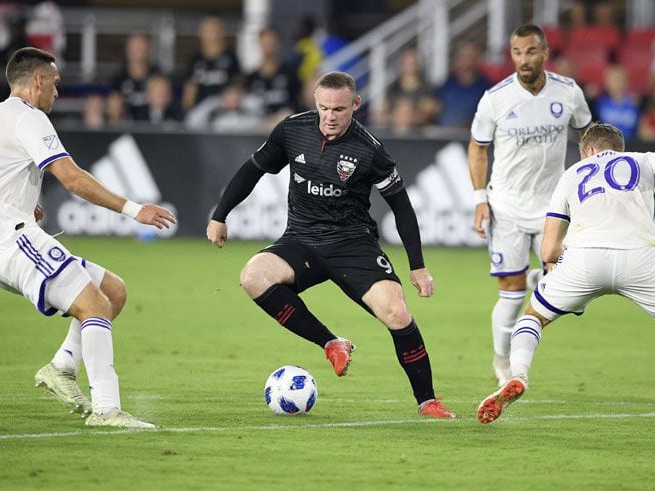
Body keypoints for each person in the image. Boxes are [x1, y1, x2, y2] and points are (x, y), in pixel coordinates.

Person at [206, 71, 456, 419]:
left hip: (353, 245)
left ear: (355, 104)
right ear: (316, 103)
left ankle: (427, 401)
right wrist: (220, 215)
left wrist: (417, 265)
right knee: (253, 276)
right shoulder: (292, 130)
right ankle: (331, 343)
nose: (330, 116)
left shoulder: (369, 150)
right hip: (301, 240)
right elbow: (253, 170)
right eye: (323, 108)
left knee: (397, 312)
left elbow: (402, 207)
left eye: (338, 109)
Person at [0, 47, 176, 428]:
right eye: (55, 82)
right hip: (10, 241)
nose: (57, 91)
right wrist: (136, 210)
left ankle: (62, 367)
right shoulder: (28, 118)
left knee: (113, 291)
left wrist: (22, 202)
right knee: (95, 306)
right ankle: (106, 410)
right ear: (38, 80)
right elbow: (72, 178)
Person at [477, 123, 655, 424]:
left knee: (532, 317)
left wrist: (557, 267)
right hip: (640, 258)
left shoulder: (571, 175)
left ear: (590, 150)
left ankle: (517, 375)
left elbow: (547, 251)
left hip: (584, 259)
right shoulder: (641, 161)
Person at [468, 24, 592, 387]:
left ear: (545, 52)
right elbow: (477, 147)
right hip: (506, 205)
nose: (524, 59)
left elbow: (588, 133)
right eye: (518, 52)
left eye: (531, 51)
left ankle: (542, 278)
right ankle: (502, 361)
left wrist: (588, 181)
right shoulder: (496, 98)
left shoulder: (568, 93)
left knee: (575, 290)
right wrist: (480, 200)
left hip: (553, 205)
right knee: (510, 293)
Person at [181, 16, 241, 112]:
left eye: (216, 30)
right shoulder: (195, 59)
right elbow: (190, 88)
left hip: (224, 108)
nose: (213, 35)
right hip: (200, 109)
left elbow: (238, 84)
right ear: (200, 34)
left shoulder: (231, 57)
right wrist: (187, 109)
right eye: (209, 31)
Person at [437, 42, 491, 128]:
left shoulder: (486, 88)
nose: (468, 62)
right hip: (445, 133)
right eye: (464, 57)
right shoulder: (447, 86)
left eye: (471, 57)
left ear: (478, 60)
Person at [109, 33, 159, 121]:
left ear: (148, 50)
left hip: (153, 126)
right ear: (128, 50)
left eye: (142, 48)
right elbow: (114, 108)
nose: (139, 51)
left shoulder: (157, 75)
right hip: (127, 126)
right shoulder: (119, 78)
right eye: (136, 48)